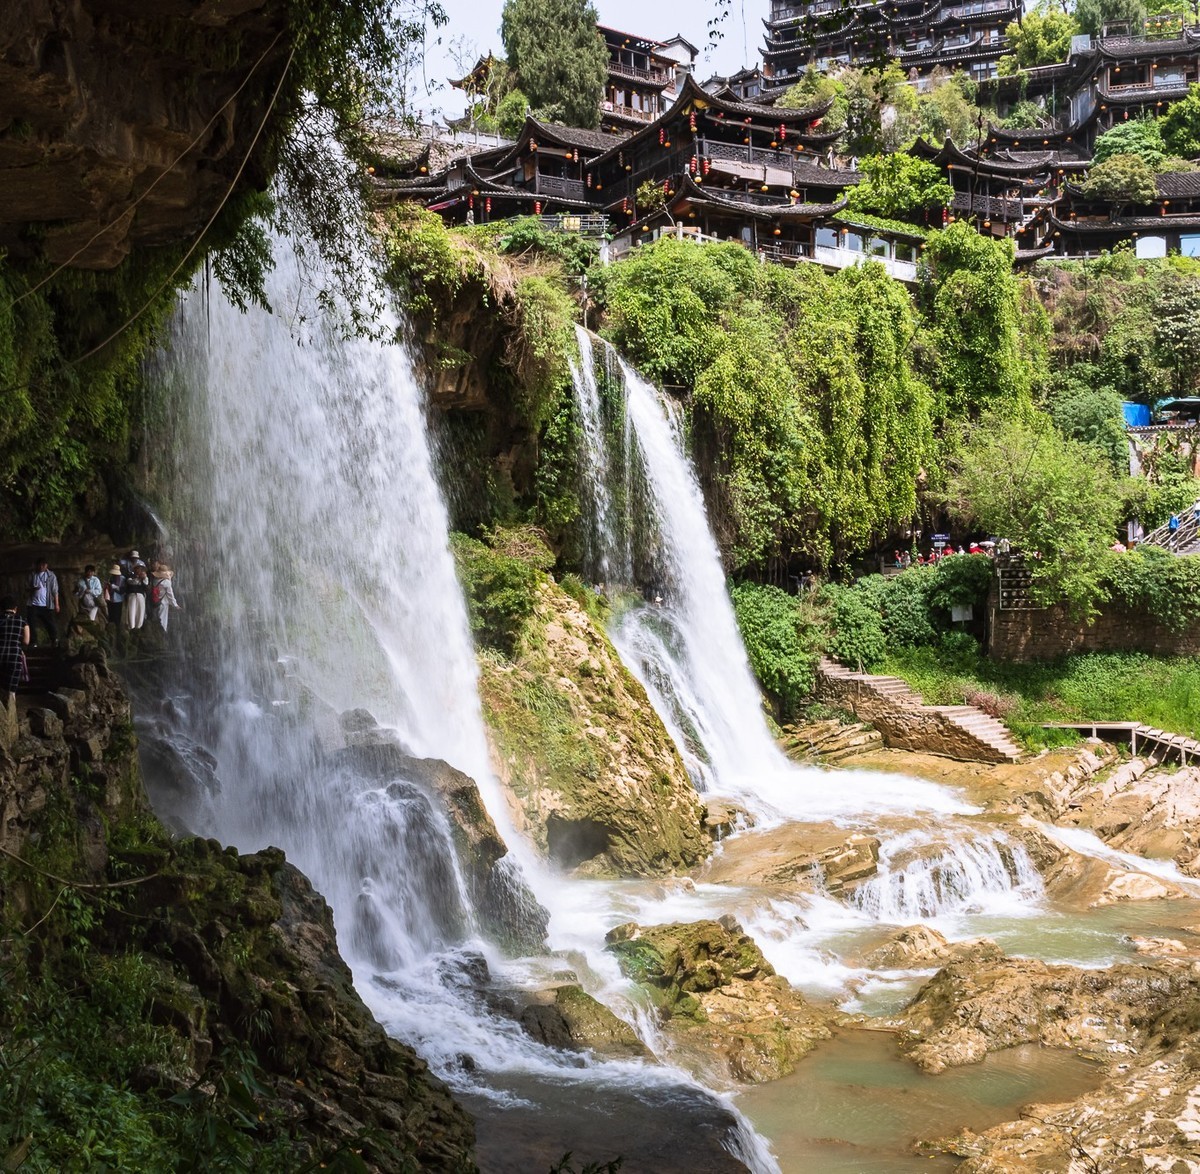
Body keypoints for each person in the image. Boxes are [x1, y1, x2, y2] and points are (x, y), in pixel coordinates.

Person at [0, 595, 29, 704]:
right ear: (15, 608)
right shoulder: (22, 621)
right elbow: (26, 641)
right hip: (14, 656)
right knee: (11, 691)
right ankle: (11, 717)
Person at [26, 557, 59, 648]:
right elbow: (27, 588)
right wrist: (33, 589)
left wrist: (57, 604)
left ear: (46, 565)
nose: (41, 566)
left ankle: (54, 639)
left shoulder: (51, 576)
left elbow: (55, 591)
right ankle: (34, 641)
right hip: (33, 604)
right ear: (37, 565)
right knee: (31, 623)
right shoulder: (32, 575)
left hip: (46, 604)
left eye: (43, 565)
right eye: (40, 565)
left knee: (50, 623)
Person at [150, 564, 181, 631]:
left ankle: (155, 631)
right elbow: (170, 594)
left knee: (156, 617)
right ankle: (162, 631)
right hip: (163, 602)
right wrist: (175, 605)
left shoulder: (155, 580)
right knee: (162, 619)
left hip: (155, 600)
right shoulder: (166, 582)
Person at [124, 564, 150, 631]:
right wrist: (139, 578)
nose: (139, 570)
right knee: (131, 611)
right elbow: (131, 582)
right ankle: (131, 626)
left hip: (140, 596)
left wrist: (144, 578)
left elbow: (146, 585)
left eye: (140, 569)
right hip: (132, 595)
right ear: (134, 569)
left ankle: (138, 627)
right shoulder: (130, 576)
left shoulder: (144, 578)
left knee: (140, 611)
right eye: (137, 568)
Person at [104, 563, 125, 628]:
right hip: (111, 599)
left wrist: (114, 587)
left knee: (117, 615)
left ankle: (117, 627)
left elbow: (123, 590)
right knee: (111, 614)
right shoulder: (111, 578)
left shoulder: (123, 579)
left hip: (119, 599)